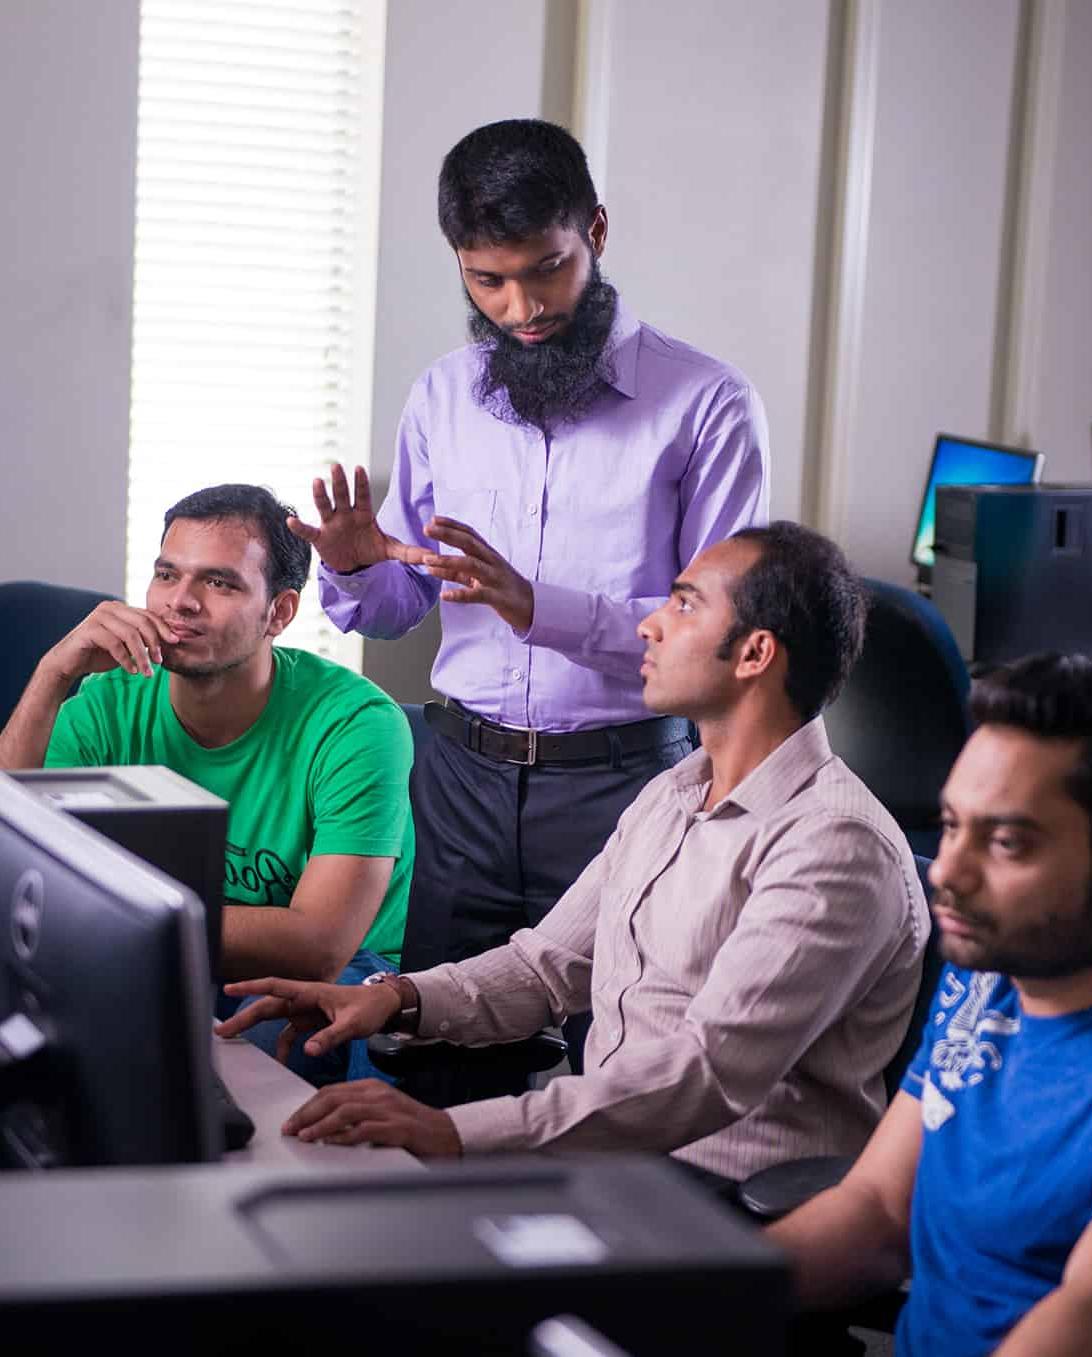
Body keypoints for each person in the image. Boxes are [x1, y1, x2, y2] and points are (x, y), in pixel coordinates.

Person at [217, 522, 929, 1187]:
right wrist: (389, 999)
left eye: (682, 606)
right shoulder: (674, 793)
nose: (648, 624)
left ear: (753, 653)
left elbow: (706, 1073)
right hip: (621, 1172)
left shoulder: (833, 846)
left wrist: (451, 1131)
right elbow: (544, 966)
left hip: (726, 1202)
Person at [291, 119, 769, 1091]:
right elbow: (394, 608)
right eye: (486, 280)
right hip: (460, 781)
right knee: (437, 1073)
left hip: (628, 786)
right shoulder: (440, 399)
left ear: (594, 230)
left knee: (629, 1083)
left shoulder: (706, 405)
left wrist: (534, 605)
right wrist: (350, 570)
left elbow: (716, 639)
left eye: (545, 269)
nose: (521, 307)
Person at [769, 655, 1092, 1356]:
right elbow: (877, 1211)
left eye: (1005, 842)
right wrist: (677, 1302)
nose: (946, 870)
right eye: (950, 825)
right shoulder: (990, 976)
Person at [0, 484, 415, 1085]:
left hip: (333, 978)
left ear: (279, 612)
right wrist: (50, 673)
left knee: (279, 1046)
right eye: (167, 575)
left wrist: (114, 924)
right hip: (153, 954)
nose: (181, 602)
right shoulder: (106, 699)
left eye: (219, 583)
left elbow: (318, 943)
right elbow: (11, 855)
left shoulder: (357, 724)